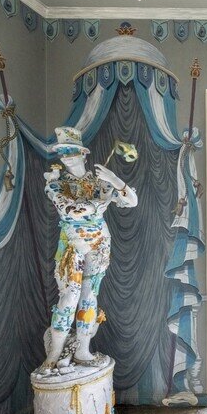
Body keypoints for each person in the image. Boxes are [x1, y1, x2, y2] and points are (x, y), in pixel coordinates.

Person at [38, 127, 138, 374]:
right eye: (63, 153)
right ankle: (54, 353)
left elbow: (131, 201)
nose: (67, 157)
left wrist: (115, 180)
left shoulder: (100, 181)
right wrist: (98, 204)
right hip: (72, 245)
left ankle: (83, 350)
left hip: (99, 244)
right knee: (68, 297)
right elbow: (68, 210)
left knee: (89, 295)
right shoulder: (56, 184)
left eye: (72, 151)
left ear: (83, 154)